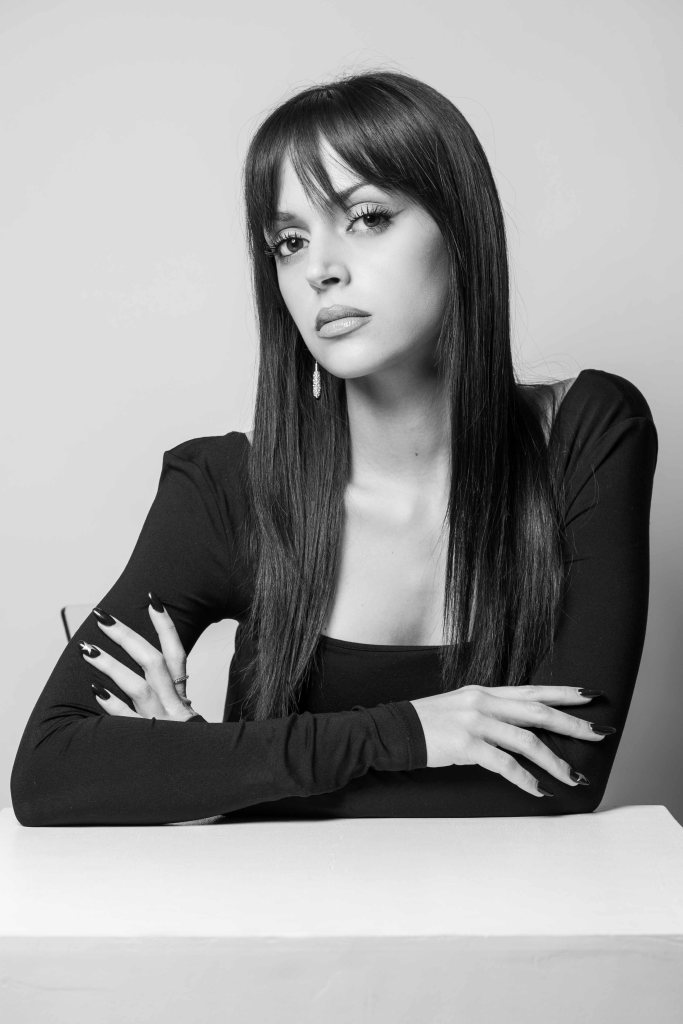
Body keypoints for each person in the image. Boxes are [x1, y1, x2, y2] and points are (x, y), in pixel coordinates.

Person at [10, 70, 658, 827]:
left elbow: (563, 777)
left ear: (461, 230)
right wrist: (408, 732)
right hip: (278, 911)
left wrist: (210, 769)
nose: (320, 269)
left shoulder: (585, 436)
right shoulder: (225, 490)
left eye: (367, 218)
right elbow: (49, 774)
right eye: (289, 242)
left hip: (512, 907)